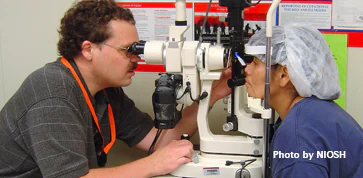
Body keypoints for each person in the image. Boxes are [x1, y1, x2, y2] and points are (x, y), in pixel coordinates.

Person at [0, 0, 231, 177]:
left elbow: (157, 142)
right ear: (88, 49)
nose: (136, 58)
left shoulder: (106, 91)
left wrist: (211, 95)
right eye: (127, 50)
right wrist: (153, 165)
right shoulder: (52, 92)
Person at [245, 23, 363, 178]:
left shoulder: (298, 136)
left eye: (255, 63)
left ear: (284, 74)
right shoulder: (315, 113)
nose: (246, 69)